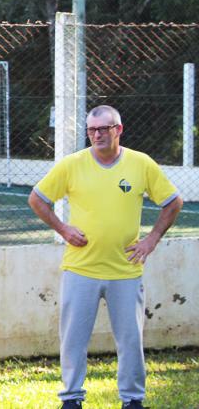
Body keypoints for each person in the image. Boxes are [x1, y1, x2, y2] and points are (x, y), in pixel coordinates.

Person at [28, 105, 183, 409]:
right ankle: (71, 399)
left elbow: (173, 202)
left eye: (103, 128)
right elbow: (37, 199)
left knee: (130, 342)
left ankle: (133, 400)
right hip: (80, 269)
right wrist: (63, 228)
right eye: (91, 130)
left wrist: (151, 239)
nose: (96, 135)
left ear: (118, 130)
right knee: (73, 341)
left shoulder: (141, 164)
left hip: (125, 272)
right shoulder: (71, 165)